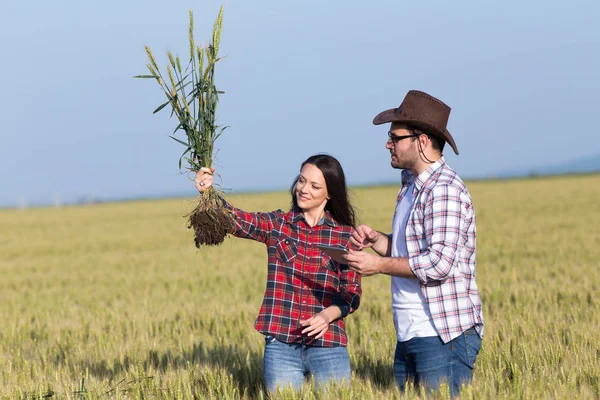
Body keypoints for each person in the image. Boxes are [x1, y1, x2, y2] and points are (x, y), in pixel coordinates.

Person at [344, 90, 483, 397]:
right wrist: (379, 241)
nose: (387, 144)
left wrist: (378, 266)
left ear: (421, 141)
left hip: (441, 334)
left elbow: (438, 264)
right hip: (411, 332)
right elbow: (413, 252)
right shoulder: (412, 186)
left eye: (395, 137)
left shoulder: (443, 190)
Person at [194, 154, 361, 393]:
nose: (303, 189)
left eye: (314, 186)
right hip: (282, 346)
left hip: (329, 345)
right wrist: (207, 193)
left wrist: (326, 316)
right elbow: (237, 220)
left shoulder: (346, 237)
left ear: (330, 194)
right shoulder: (278, 224)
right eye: (301, 181)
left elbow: (352, 293)